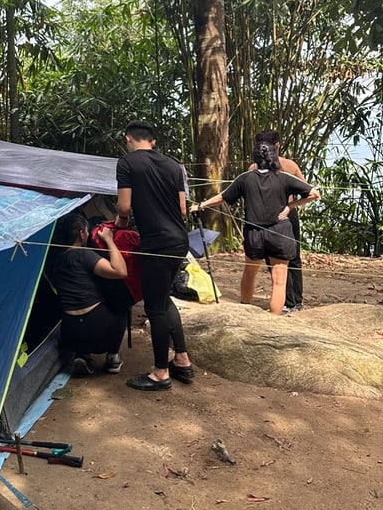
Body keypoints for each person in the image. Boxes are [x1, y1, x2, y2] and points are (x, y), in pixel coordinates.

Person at [192, 141, 319, 314]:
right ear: (274, 158)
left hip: (254, 234)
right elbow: (314, 193)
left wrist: (201, 205)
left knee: (249, 273)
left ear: (255, 159)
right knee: (279, 281)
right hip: (280, 234)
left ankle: (245, 310)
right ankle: (274, 319)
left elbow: (222, 197)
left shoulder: (245, 178)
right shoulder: (284, 177)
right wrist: (290, 206)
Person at [115, 120, 195, 392]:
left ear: (128, 138)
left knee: (154, 307)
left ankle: (160, 372)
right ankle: (182, 359)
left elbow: (124, 206)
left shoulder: (127, 163)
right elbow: (182, 209)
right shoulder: (174, 165)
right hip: (179, 241)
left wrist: (120, 222)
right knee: (164, 300)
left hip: (156, 245)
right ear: (153, 142)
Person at [51, 211, 130, 376]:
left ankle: (82, 356)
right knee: (122, 303)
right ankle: (113, 357)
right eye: (87, 231)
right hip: (98, 327)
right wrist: (109, 240)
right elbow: (120, 271)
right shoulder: (84, 254)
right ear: (81, 234)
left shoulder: (56, 260)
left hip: (70, 332)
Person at [248, 130, 305, 313]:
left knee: (280, 260)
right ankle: (292, 301)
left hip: (274, 216)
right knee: (289, 259)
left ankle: (292, 301)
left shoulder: (256, 168)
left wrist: (290, 207)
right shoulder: (288, 165)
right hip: (282, 214)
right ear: (277, 146)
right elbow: (307, 190)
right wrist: (291, 206)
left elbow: (307, 189)